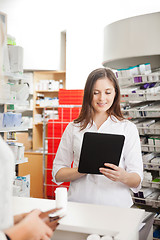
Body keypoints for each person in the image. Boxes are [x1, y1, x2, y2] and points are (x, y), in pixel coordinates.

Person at [52, 68, 143, 208]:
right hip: (79, 206)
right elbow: (58, 173)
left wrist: (122, 176)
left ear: (115, 93)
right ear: (89, 94)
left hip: (117, 207)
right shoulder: (74, 127)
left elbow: (136, 179)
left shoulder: (127, 128)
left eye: (107, 92)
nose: (102, 98)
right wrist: (82, 170)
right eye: (96, 93)